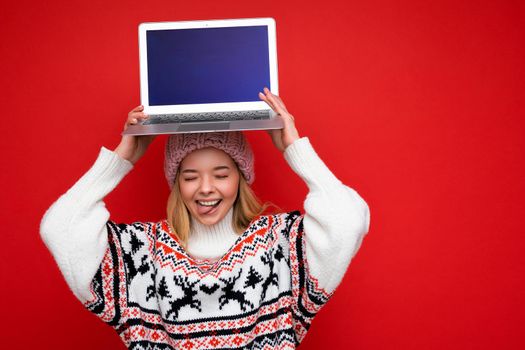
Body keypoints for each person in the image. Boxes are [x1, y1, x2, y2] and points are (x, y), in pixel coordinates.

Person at [40, 88, 371, 349]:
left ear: (241, 178)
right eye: (190, 176)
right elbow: (60, 227)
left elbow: (347, 222)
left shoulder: (279, 247)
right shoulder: (142, 254)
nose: (206, 189)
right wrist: (123, 155)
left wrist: (293, 147)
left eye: (221, 173)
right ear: (176, 182)